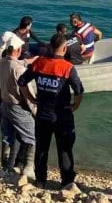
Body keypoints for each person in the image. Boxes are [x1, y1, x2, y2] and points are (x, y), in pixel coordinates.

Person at [17, 33, 84, 189]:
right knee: (65, 150)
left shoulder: (39, 63)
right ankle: (67, 182)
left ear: (50, 47)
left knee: (42, 149)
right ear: (64, 48)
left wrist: (31, 98)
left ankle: (41, 181)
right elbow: (79, 91)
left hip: (43, 115)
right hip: (63, 116)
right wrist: (76, 104)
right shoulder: (67, 67)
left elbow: (21, 82)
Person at [0, 38, 37, 177]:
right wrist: (34, 110)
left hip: (4, 105)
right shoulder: (19, 70)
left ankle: (5, 168)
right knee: (32, 137)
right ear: (19, 50)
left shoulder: (2, 63)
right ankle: (29, 168)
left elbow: (16, 64)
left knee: (7, 137)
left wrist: (29, 61)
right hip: (18, 107)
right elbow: (28, 94)